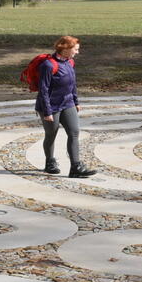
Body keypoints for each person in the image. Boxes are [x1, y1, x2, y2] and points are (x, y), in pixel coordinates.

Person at [36, 36, 96, 178]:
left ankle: (76, 167)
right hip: (51, 106)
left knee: (74, 132)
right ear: (66, 49)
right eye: (75, 49)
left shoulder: (70, 62)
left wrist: (76, 101)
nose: (77, 52)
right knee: (51, 135)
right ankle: (50, 163)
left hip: (67, 103)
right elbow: (43, 90)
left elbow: (72, 84)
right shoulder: (48, 65)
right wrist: (47, 111)